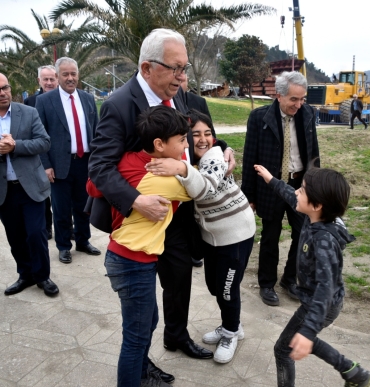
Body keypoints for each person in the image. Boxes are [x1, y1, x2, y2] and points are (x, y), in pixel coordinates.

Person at [88, 28, 234, 369]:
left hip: (178, 209)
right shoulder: (119, 105)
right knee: (141, 302)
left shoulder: (178, 95)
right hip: (141, 215)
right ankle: (139, 359)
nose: (183, 77)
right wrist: (137, 201)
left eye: (184, 68)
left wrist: (224, 150)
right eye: (175, 68)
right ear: (146, 68)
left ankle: (176, 335)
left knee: (180, 278)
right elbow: (99, 167)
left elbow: (194, 137)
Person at [87, 106, 193, 387]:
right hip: (134, 262)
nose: (186, 145)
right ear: (159, 145)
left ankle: (142, 375)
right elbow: (205, 188)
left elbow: (93, 186)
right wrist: (183, 167)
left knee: (147, 322)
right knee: (135, 338)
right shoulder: (163, 179)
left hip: (124, 257)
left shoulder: (127, 160)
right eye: (182, 140)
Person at [147, 109, 256, 364]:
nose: (203, 139)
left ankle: (232, 331)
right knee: (214, 286)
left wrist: (180, 167)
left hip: (236, 233)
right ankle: (232, 323)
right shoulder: (190, 160)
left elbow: (205, 189)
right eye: (195, 134)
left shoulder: (214, 157)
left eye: (208, 133)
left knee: (228, 289)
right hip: (212, 237)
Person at [253, 163, 370, 387]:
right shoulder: (316, 215)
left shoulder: (324, 240)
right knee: (300, 339)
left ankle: (354, 372)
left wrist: (308, 329)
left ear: (317, 204)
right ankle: (353, 372)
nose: (297, 190)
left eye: (303, 188)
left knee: (283, 349)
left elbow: (325, 288)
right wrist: (270, 179)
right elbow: (291, 195)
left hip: (320, 303)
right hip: (319, 301)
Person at [0, 71, 59, 298]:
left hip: (32, 186)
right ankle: (25, 274)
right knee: (15, 236)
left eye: (5, 87)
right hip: (3, 189)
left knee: (36, 234)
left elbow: (44, 142)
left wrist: (15, 146)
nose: (3, 92)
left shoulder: (27, 112)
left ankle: (42, 276)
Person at [241, 71, 319, 307]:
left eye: (302, 99)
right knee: (270, 236)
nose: (299, 104)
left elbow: (314, 154)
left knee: (302, 234)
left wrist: (315, 187)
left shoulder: (307, 114)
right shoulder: (259, 117)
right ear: (279, 95)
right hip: (269, 186)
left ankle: (289, 278)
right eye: (294, 99)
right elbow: (249, 157)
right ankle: (266, 284)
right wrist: (250, 195)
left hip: (299, 186)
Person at [35, 57, 101, 264]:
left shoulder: (88, 99)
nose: (70, 78)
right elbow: (39, 136)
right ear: (57, 76)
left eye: (73, 74)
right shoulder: (45, 101)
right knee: (61, 209)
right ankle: (64, 246)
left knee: (84, 206)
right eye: (65, 74)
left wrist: (98, 161)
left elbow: (97, 131)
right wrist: (45, 165)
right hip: (59, 165)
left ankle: (83, 241)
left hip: (85, 162)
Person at [24, 65, 59, 240]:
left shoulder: (65, 99)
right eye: (45, 79)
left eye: (52, 78)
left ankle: (67, 227)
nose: (49, 82)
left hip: (61, 157)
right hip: (39, 158)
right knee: (44, 197)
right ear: (39, 80)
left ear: (57, 79)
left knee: (63, 198)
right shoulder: (30, 103)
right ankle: (47, 226)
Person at [180, 75, 211, 267]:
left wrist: (225, 148)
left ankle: (195, 248)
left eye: (183, 76)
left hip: (199, 164)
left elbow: (209, 133)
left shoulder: (198, 102)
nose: (179, 79)